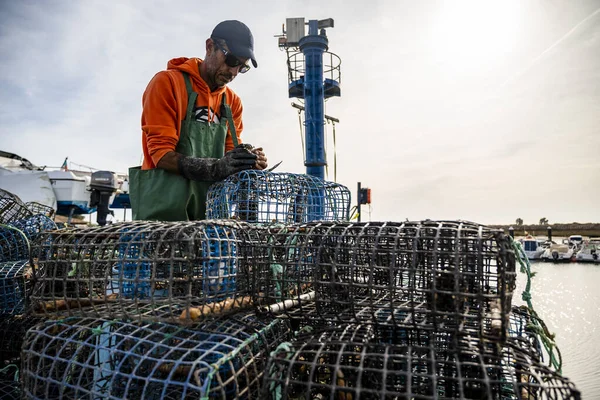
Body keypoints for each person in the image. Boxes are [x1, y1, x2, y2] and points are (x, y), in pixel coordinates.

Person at [129, 20, 268, 221]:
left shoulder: (232, 103)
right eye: (231, 61)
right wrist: (217, 168)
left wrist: (247, 160)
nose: (234, 72)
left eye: (242, 67)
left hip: (210, 216)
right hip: (164, 216)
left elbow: (229, 158)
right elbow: (161, 155)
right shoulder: (167, 83)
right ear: (210, 46)